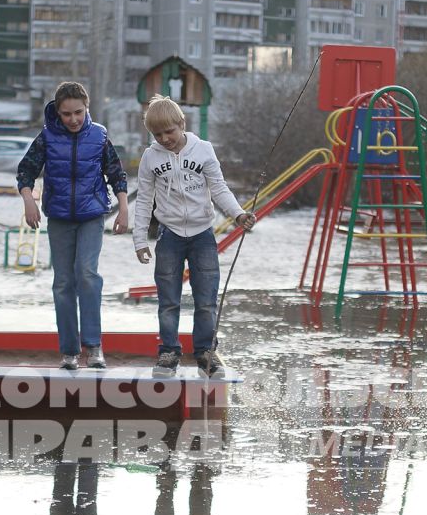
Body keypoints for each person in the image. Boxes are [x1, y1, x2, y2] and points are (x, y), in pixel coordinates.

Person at [130, 96, 253, 377]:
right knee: (168, 300)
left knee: (206, 299)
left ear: (181, 124)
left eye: (169, 131)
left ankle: (206, 353)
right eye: (158, 135)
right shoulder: (151, 157)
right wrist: (139, 240)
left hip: (203, 236)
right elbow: (144, 200)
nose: (165, 139)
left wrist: (238, 214)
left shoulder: (204, 150)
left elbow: (219, 189)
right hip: (169, 235)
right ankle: (169, 352)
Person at [17, 81, 129, 370]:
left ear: (87, 108)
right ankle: (69, 351)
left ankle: (93, 347)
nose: (73, 119)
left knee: (87, 273)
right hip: (59, 217)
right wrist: (29, 201)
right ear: (58, 112)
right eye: (66, 114)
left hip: (92, 215)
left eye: (78, 112)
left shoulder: (99, 136)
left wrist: (123, 210)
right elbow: (26, 170)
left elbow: (117, 174)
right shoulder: (47, 137)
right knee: (64, 282)